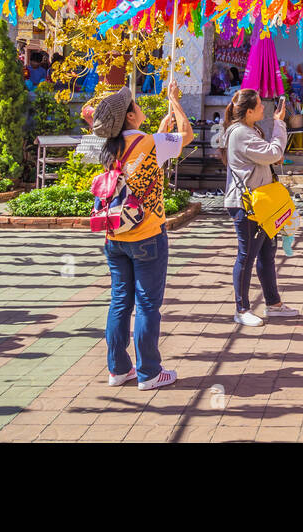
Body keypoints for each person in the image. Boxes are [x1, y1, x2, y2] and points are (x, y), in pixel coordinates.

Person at [91, 82, 191, 390]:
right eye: (134, 104)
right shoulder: (150, 143)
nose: (137, 104)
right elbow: (186, 134)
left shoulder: (109, 150)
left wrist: (160, 132)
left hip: (114, 235)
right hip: (147, 234)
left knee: (120, 300)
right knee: (148, 304)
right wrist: (174, 101)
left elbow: (138, 162)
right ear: (131, 117)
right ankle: (149, 372)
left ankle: (118, 369)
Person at [222, 89, 299, 326]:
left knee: (267, 253)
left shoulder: (249, 130)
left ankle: (273, 304)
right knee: (246, 256)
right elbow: (274, 153)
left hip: (261, 204)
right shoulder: (240, 133)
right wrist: (279, 124)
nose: (264, 108)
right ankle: (241, 308)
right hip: (247, 204)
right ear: (248, 110)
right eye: (259, 105)